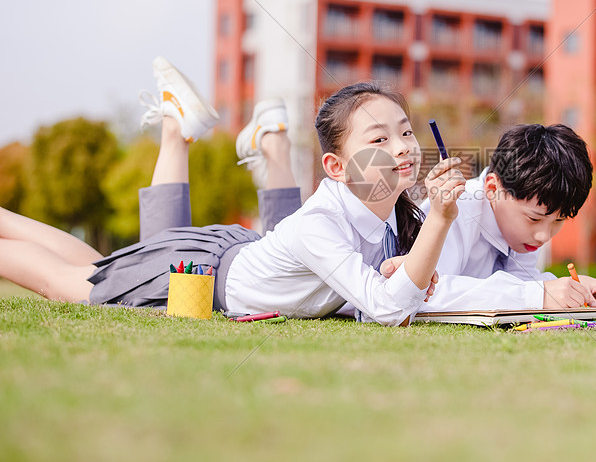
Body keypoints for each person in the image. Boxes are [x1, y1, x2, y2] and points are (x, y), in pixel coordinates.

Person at [0, 58, 465, 326]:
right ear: (336, 168)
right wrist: (440, 223)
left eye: (405, 132)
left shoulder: (391, 216)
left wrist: (399, 263)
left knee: (95, 268)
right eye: (379, 139)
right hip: (197, 277)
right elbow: (387, 311)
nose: (403, 147)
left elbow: (379, 297)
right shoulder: (319, 224)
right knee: (61, 282)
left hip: (226, 255)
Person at [406, 123, 596, 312]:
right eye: (534, 219)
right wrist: (538, 294)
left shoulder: (524, 227)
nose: (544, 235)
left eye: (558, 221)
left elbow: (521, 282)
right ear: (492, 188)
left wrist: (574, 290)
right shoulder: (456, 209)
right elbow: (425, 293)